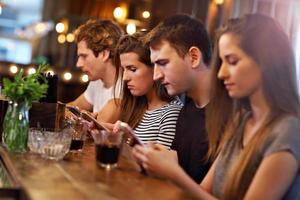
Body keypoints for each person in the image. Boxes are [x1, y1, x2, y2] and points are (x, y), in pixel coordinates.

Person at [133, 14, 300, 199]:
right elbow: (204, 191)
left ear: (266, 62)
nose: (221, 73)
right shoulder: (242, 121)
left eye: (233, 61)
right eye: (222, 62)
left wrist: (174, 172)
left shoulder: (288, 130)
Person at [137, 14, 212, 182]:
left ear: (194, 57)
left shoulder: (230, 115)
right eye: (154, 64)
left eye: (162, 63)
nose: (156, 76)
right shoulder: (186, 112)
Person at [109, 32, 182, 148]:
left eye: (132, 69)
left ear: (155, 68)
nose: (125, 78)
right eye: (123, 70)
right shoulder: (136, 106)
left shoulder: (170, 113)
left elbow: (159, 164)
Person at [68, 19, 123, 115]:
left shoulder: (123, 90)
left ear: (104, 54)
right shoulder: (97, 82)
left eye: (84, 56)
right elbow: (70, 108)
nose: (78, 64)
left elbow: (95, 125)